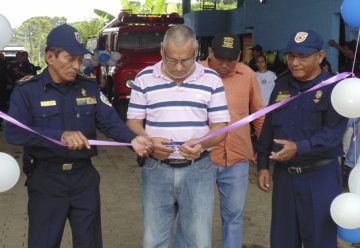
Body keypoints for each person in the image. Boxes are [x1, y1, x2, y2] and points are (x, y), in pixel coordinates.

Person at [4, 24, 152, 248]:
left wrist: (133, 140)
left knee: (90, 243)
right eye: (70, 58)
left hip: (84, 179)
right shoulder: (27, 90)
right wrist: (59, 135)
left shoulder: (89, 87)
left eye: (79, 59)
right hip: (46, 179)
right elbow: (14, 132)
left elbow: (110, 122)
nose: (76, 65)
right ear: (50, 57)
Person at [126, 24, 230, 247]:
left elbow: (221, 126)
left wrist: (202, 145)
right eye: (172, 60)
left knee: (198, 240)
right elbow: (133, 122)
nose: (180, 67)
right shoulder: (144, 78)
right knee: (154, 239)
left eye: (186, 60)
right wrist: (148, 140)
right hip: (156, 169)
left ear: (196, 52)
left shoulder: (211, 79)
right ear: (162, 50)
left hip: (198, 169)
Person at [256, 30, 348, 247]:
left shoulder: (334, 88)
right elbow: (269, 125)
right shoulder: (282, 84)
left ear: (320, 56)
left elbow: (332, 135)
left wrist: (299, 147)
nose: (295, 63)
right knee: (282, 240)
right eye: (291, 56)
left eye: (303, 57)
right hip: (285, 177)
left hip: (320, 176)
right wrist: (262, 164)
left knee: (319, 240)